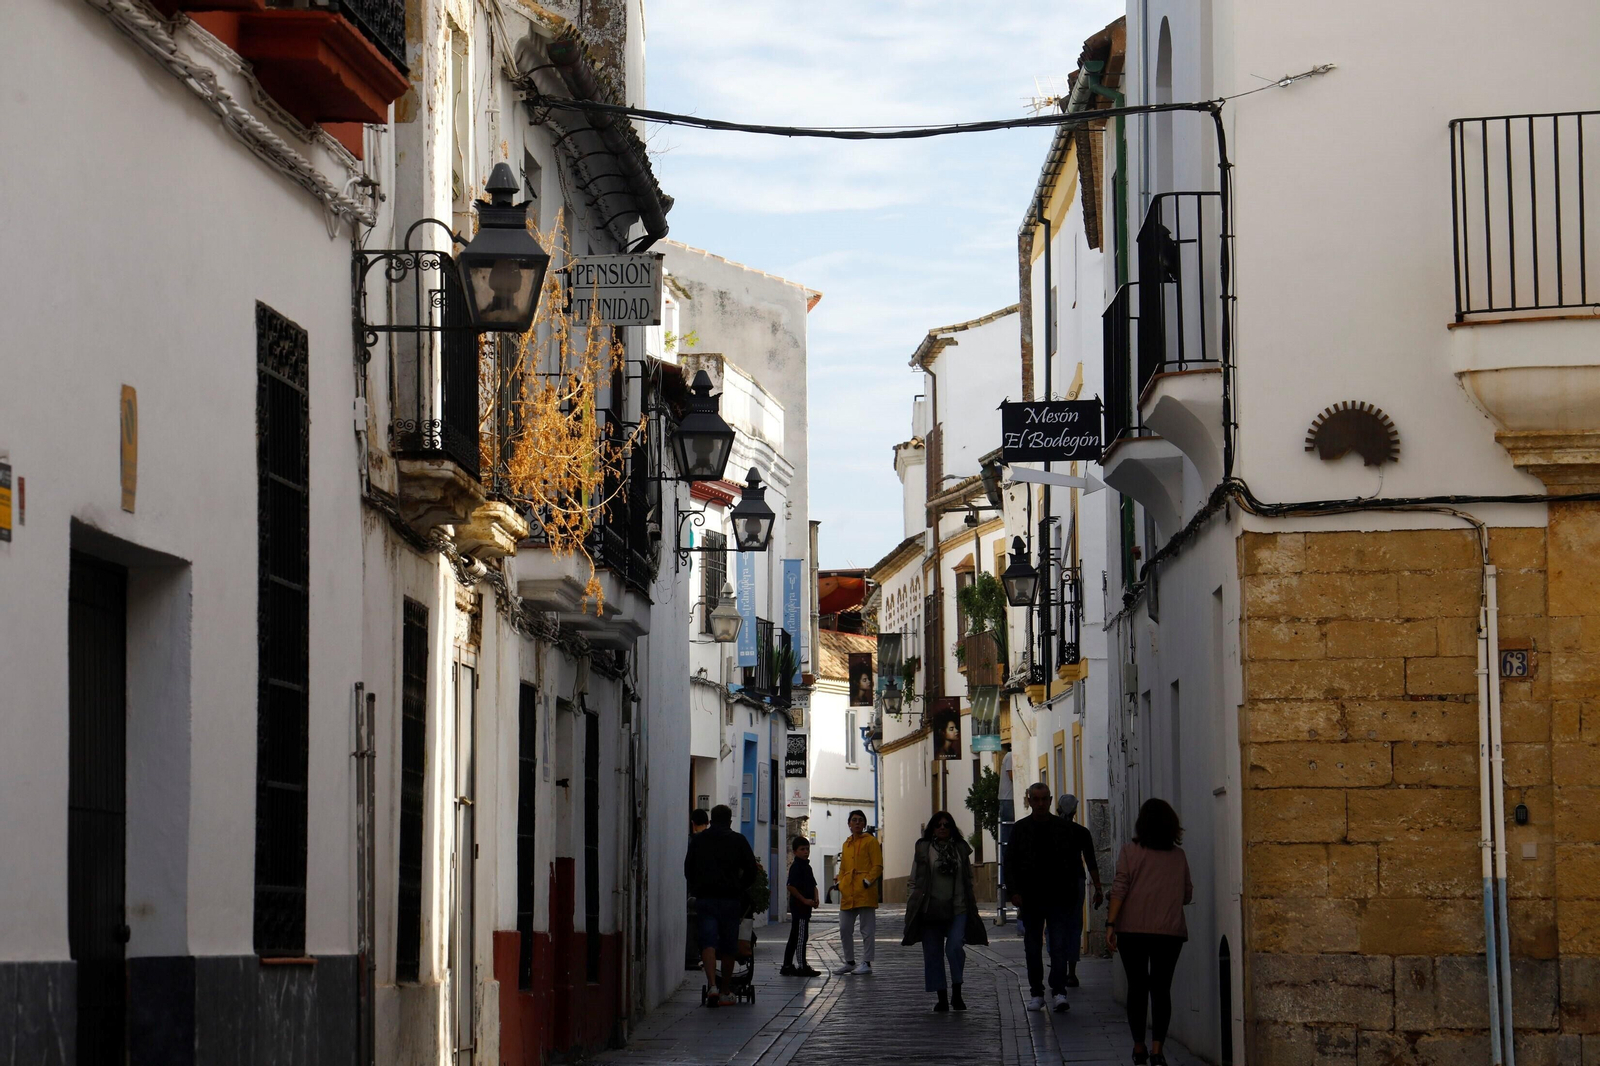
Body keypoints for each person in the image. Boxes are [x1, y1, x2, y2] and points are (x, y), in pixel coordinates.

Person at [1107, 798, 1193, 1066]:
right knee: (1161, 989)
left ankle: (1138, 1046)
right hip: (1169, 931)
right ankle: (1158, 1050)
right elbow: (1187, 895)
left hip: (1132, 931)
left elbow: (1120, 888)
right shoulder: (1178, 856)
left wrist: (1110, 924)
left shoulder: (1130, 852)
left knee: (1137, 988)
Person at [901, 810, 989, 1012]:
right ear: (932, 828)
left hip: (958, 908)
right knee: (933, 954)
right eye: (938, 825)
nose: (942, 828)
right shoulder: (924, 849)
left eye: (946, 825)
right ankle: (941, 997)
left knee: (955, 947)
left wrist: (970, 903)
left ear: (952, 828)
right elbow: (914, 879)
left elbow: (967, 879)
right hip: (930, 909)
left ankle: (957, 991)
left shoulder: (960, 849)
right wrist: (912, 901)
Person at [1004, 782, 1076, 1012]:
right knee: (1032, 947)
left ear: (1050, 800)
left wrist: (1071, 893)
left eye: (1045, 799)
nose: (1041, 803)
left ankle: (1059, 991)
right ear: (1030, 801)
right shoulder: (1020, 829)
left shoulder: (1062, 829)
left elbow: (1072, 863)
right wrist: (1013, 891)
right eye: (1036, 799)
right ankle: (1037, 992)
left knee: (1058, 946)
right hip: (1031, 898)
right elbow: (1010, 861)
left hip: (1057, 897)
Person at [683, 804, 758, 1007]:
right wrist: (740, 887)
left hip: (706, 898)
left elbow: (688, 869)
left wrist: (697, 889)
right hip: (730, 899)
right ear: (730, 821)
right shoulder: (738, 840)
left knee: (708, 943)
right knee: (728, 945)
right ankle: (725, 990)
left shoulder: (698, 840)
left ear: (711, 820)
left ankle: (712, 986)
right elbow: (752, 870)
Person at [1055, 793, 1105, 987]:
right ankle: (1071, 972)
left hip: (1055, 883)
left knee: (1056, 925)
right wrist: (1098, 888)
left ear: (1058, 809)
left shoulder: (1051, 829)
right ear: (1075, 811)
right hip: (1076, 882)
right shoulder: (1081, 832)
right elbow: (1091, 861)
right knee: (1074, 926)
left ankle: (1058, 969)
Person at [835, 810, 883, 975]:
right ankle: (849, 961)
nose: (857, 823)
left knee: (867, 929)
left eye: (860, 820)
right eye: (854, 820)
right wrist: (840, 883)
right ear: (849, 823)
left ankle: (867, 963)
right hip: (848, 892)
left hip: (865, 891)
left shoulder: (871, 842)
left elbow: (877, 865)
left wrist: (867, 881)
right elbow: (843, 868)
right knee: (844, 928)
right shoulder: (846, 844)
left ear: (864, 824)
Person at [780, 837, 821, 976]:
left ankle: (787, 965)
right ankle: (802, 966)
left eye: (807, 849)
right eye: (802, 849)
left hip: (807, 906)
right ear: (795, 851)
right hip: (800, 908)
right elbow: (791, 886)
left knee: (794, 935)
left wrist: (816, 898)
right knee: (801, 937)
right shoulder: (796, 867)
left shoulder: (807, 867)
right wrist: (804, 900)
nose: (806, 852)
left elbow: (813, 885)